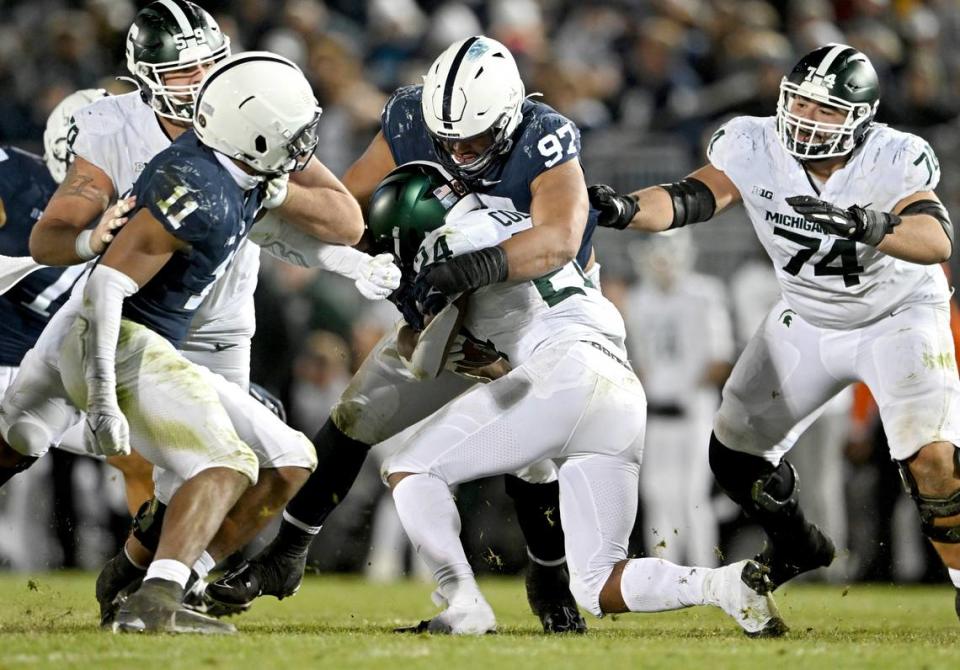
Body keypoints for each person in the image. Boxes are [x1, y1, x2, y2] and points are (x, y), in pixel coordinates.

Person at [0, 0, 393, 624]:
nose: (198, 81)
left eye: (209, 65)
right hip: (128, 313)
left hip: (217, 320)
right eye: (182, 72)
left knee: (215, 469)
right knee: (22, 436)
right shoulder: (114, 125)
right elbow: (56, 239)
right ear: (146, 76)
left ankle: (146, 583)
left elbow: (345, 221)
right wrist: (88, 239)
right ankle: (150, 591)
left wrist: (266, 176)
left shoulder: (245, 107)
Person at [207, 35, 597, 633]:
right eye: (449, 140)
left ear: (511, 113)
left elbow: (559, 239)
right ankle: (286, 553)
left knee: (534, 459)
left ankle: (550, 574)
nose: (460, 151)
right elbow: (353, 212)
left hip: (536, 303)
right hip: (446, 296)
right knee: (358, 411)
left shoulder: (543, 136)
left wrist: (473, 266)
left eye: (475, 138)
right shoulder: (412, 117)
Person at [588, 44, 960, 614]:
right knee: (734, 453)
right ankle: (796, 545)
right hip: (809, 315)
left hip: (898, 315)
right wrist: (624, 209)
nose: (808, 121)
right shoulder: (754, 142)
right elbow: (693, 197)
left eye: (827, 111)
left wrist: (866, 223)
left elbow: (936, 241)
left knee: (933, 463)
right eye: (802, 105)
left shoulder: (893, 155)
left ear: (861, 118)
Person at [371, 161, 786, 636]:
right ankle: (725, 586)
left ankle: (462, 603)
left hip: (561, 376)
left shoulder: (454, 240)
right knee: (596, 583)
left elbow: (425, 357)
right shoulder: (530, 218)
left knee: (411, 468)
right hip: (617, 387)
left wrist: (411, 321)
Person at [624, 231, 734, 567]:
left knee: (692, 497)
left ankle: (703, 571)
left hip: (693, 410)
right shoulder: (638, 299)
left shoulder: (705, 294)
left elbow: (719, 361)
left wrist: (683, 390)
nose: (662, 263)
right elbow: (639, 363)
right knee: (657, 495)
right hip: (655, 413)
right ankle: (662, 572)